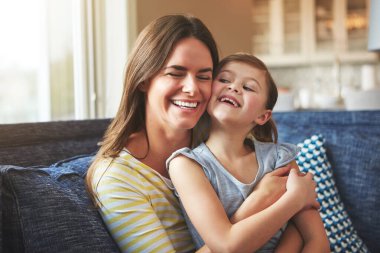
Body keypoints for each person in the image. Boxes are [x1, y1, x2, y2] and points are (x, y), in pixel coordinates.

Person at [85, 14, 318, 253]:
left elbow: (303, 230)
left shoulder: (219, 138)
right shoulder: (116, 178)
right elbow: (228, 242)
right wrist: (258, 202)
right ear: (143, 79)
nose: (192, 88)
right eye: (176, 73)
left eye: (204, 76)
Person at [167, 53, 330, 253]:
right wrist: (295, 199)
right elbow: (225, 248)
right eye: (224, 79)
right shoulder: (186, 165)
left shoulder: (279, 159)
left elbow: (318, 242)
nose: (233, 87)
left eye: (248, 87)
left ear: (263, 116)